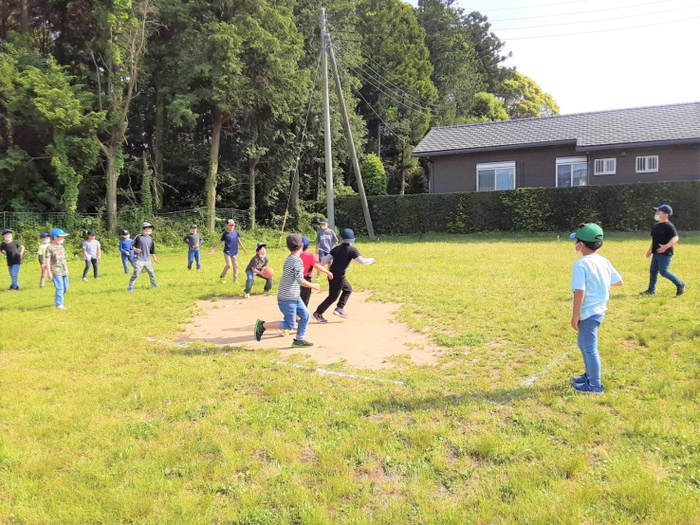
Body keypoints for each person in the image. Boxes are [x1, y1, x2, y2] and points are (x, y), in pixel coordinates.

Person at [569, 223, 623, 394]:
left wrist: (574, 316)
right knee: (583, 344)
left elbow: (580, 292)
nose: (575, 245)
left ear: (581, 244)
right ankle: (589, 375)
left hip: (588, 313)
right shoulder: (603, 261)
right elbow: (618, 281)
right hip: (599, 311)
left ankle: (594, 385)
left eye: (576, 241)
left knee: (590, 348)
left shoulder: (580, 264)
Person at [254, 234, 321, 348]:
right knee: (289, 325)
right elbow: (300, 280)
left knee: (305, 316)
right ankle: (262, 325)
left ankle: (299, 340)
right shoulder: (297, 261)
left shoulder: (289, 258)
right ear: (301, 245)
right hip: (288, 298)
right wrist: (313, 285)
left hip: (293, 296)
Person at [312, 228, 375, 323]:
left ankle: (339, 308)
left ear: (341, 238)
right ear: (353, 239)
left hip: (333, 274)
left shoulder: (336, 249)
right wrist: (372, 260)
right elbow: (361, 261)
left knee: (348, 289)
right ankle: (318, 313)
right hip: (338, 276)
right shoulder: (352, 250)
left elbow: (325, 260)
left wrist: (318, 268)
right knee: (333, 296)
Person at [640, 204, 686, 297]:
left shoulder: (669, 226)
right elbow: (654, 240)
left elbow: (675, 238)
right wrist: (650, 250)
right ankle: (651, 290)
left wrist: (666, 246)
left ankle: (680, 284)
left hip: (666, 254)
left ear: (666, 214)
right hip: (656, 253)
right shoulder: (656, 226)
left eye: (658, 212)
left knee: (663, 271)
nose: (656, 214)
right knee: (653, 271)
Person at [209, 219, 247, 283]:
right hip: (227, 252)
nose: (231, 226)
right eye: (230, 225)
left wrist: (243, 248)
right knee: (229, 265)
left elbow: (239, 241)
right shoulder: (225, 234)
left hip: (234, 252)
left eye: (232, 225)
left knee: (236, 266)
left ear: (234, 225)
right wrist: (214, 250)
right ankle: (222, 277)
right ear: (227, 225)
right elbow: (220, 242)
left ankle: (235, 280)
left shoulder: (236, 232)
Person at [299, 236, 333, 307]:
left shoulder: (294, 255)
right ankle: (300, 316)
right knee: (303, 301)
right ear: (308, 247)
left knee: (295, 300)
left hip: (294, 280)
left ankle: (293, 316)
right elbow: (318, 266)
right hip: (306, 280)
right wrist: (328, 272)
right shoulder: (310, 256)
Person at [127, 222, 160, 292]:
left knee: (152, 273)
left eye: (150, 229)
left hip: (147, 260)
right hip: (139, 259)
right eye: (148, 228)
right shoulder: (138, 237)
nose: (149, 230)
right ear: (143, 229)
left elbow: (152, 250)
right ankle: (130, 286)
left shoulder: (150, 239)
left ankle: (153, 283)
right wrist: (135, 249)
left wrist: (155, 259)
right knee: (136, 273)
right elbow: (131, 246)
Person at [45, 228, 70, 310]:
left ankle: (57, 298)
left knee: (65, 287)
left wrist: (66, 269)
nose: (63, 239)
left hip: (63, 270)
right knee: (60, 287)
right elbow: (48, 260)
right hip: (55, 270)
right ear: (55, 237)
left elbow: (64, 259)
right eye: (61, 237)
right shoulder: (50, 247)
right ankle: (59, 304)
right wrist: (49, 272)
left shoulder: (61, 247)